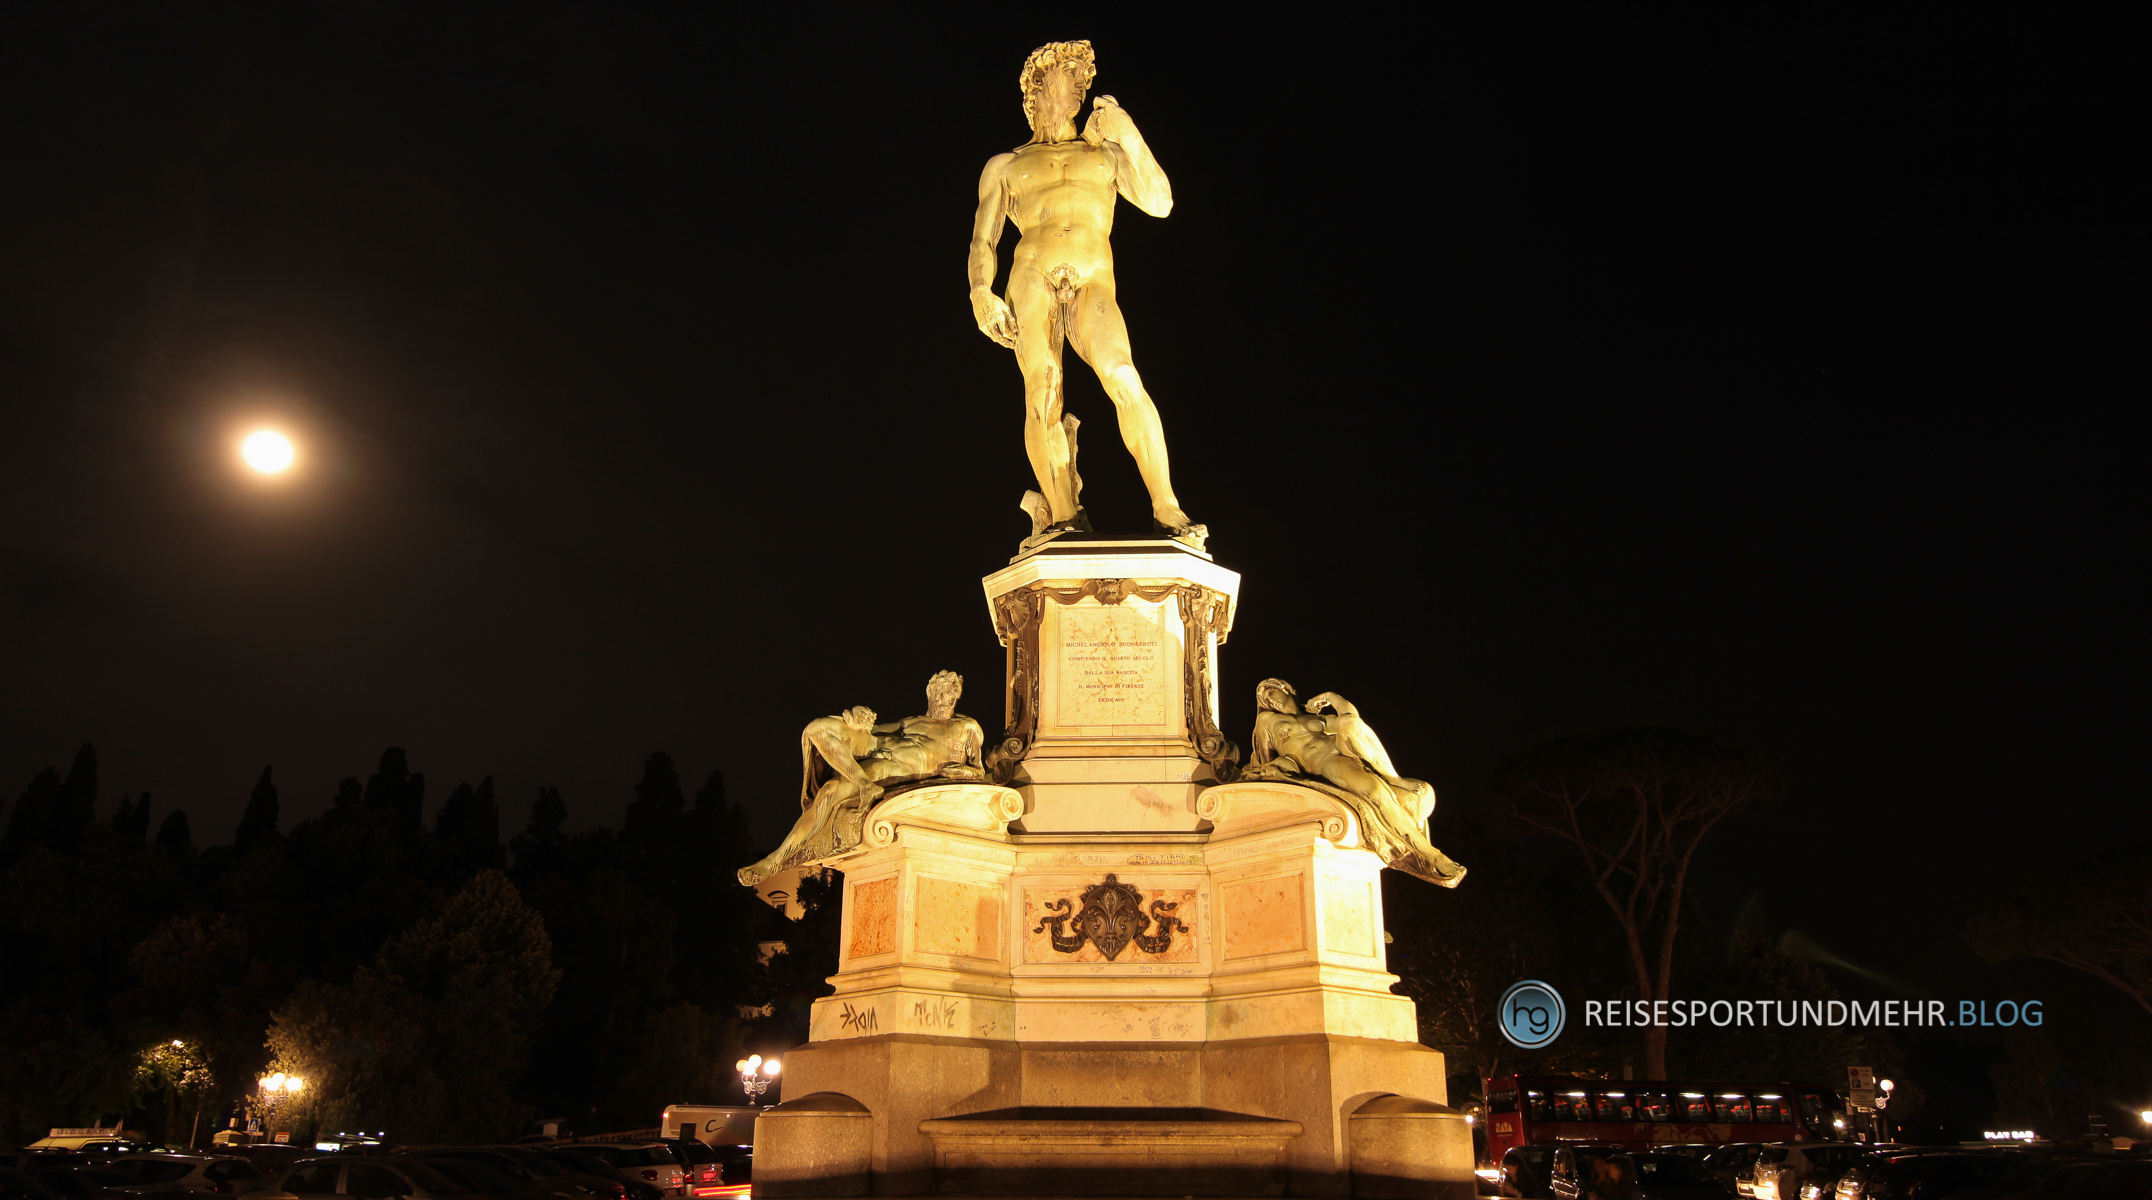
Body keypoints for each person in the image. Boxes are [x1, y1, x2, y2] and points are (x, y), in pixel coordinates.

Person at [967, 40, 1203, 546]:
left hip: (1095, 277)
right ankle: (1063, 512)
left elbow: (1161, 202)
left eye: (1083, 74)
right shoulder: (1007, 166)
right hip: (1031, 274)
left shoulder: (1105, 154)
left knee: (1123, 374)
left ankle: (1168, 507)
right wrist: (980, 291)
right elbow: (983, 238)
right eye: (1069, 72)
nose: (1081, 82)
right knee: (1043, 385)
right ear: (1037, 85)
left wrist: (1128, 133)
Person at [736, 671, 985, 886]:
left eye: (950, 695)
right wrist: (855, 715)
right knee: (816, 728)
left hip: (896, 766)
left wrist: (964, 771)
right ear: (929, 693)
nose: (944, 700)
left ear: (958, 695)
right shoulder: (911, 721)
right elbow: (872, 730)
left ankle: (776, 860)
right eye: (939, 693)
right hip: (882, 746)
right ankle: (863, 786)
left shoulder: (968, 726)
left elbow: (979, 770)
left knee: (831, 791)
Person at [1243, 678, 1465, 887]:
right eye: (1264, 698)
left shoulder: (1317, 718)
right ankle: (1432, 855)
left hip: (1338, 752)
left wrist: (1332, 696)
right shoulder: (1267, 720)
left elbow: (1352, 719)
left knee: (1348, 722)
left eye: (1271, 691)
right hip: (1324, 764)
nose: (1269, 699)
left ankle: (1393, 778)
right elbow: (1264, 759)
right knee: (1377, 792)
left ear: (1286, 689)